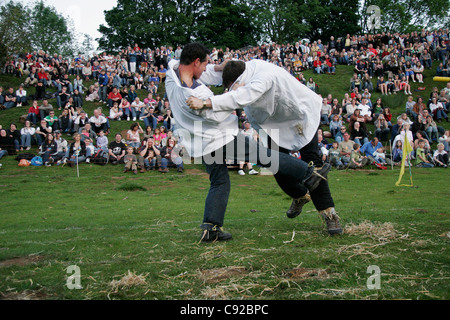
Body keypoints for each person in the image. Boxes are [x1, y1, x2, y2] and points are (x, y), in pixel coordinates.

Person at [170, 43, 338, 241]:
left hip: (300, 115)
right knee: (272, 163)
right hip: (249, 130)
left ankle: (329, 214)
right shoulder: (205, 86)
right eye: (205, 63)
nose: (208, 67)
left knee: (302, 161)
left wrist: (211, 93)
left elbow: (239, 95)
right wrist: (215, 82)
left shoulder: (261, 78)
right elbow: (212, 87)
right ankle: (303, 187)